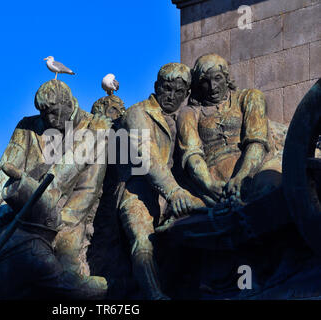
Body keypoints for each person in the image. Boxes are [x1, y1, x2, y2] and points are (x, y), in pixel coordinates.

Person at [0, 80, 110, 298]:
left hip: (69, 218)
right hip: (21, 214)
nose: (48, 119)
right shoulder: (27, 126)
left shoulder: (94, 127)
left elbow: (82, 187)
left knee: (69, 276)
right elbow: (5, 167)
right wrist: (1, 201)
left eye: (54, 112)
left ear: (69, 103)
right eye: (43, 113)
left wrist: (59, 222)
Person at [117, 63, 204, 299]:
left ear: (186, 94)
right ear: (156, 87)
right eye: (166, 89)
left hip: (175, 191)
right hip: (137, 190)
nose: (171, 96)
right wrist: (175, 193)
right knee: (143, 242)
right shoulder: (138, 113)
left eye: (178, 92)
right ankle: (155, 296)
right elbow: (147, 158)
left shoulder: (186, 117)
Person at [177, 54, 281, 206]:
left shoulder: (249, 97)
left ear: (226, 78)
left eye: (217, 78)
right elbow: (192, 154)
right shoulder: (189, 113)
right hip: (214, 180)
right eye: (206, 82)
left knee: (271, 189)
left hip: (256, 167)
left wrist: (242, 176)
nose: (213, 87)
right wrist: (208, 184)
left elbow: (257, 141)